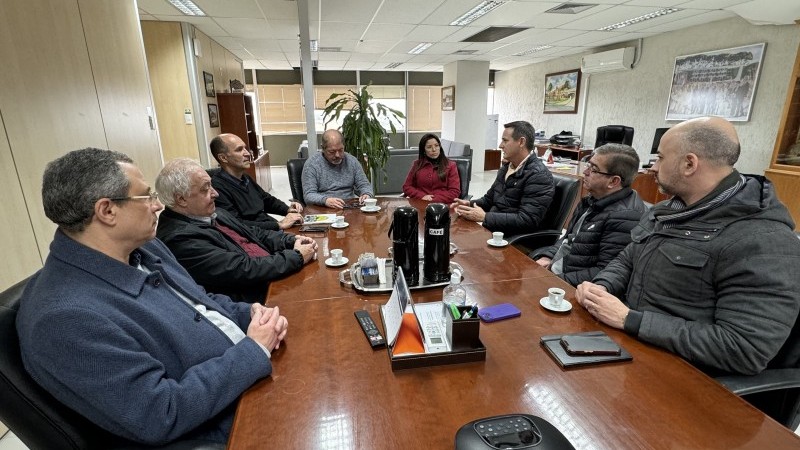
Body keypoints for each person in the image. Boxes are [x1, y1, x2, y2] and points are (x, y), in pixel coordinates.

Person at [16, 148, 288, 445]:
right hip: (228, 424)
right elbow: (161, 413)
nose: (159, 205)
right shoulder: (64, 319)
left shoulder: (145, 248)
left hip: (247, 375)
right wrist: (253, 350)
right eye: (146, 197)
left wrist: (249, 313)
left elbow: (200, 300)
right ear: (107, 211)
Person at [576, 117, 800, 376]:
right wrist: (601, 288)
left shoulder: (763, 240)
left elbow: (744, 348)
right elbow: (628, 258)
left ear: (689, 164)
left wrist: (630, 319)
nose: (652, 167)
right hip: (632, 350)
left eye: (660, 158)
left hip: (688, 380)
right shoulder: (667, 210)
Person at [156, 158, 317, 303]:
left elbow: (254, 233)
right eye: (205, 189)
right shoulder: (180, 239)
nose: (216, 193)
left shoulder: (210, 212)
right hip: (257, 299)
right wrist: (296, 256)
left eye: (211, 185)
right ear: (181, 199)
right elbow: (243, 269)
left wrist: (290, 240)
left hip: (274, 272)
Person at [531, 144, 646, 286]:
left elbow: (606, 272)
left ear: (614, 181)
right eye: (588, 165)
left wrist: (556, 280)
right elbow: (569, 240)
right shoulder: (592, 199)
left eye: (593, 169)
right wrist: (548, 256)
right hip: (558, 271)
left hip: (572, 286)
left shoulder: (626, 217)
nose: (585, 172)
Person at [451, 121, 554, 238]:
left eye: (505, 140)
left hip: (511, 237)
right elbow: (489, 200)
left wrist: (485, 217)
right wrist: (469, 203)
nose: (500, 145)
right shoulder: (506, 167)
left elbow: (527, 219)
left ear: (521, 142)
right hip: (494, 229)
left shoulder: (538, 175)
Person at [209, 133, 303, 231]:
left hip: (268, 228)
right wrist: (279, 224)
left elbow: (266, 200)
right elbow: (236, 224)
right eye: (239, 150)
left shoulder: (245, 178)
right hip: (255, 236)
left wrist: (287, 209)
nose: (247, 154)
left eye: (245, 148)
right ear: (223, 158)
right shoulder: (217, 188)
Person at [301, 129, 374, 208]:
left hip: (349, 207)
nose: (337, 155)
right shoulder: (312, 164)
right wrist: (325, 200)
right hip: (324, 208)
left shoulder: (352, 161)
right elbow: (308, 195)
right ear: (323, 148)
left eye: (340, 150)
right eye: (332, 152)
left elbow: (364, 185)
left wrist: (366, 194)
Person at [402, 133, 460, 203]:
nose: (434, 149)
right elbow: (407, 187)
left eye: (436, 145)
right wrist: (421, 196)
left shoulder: (451, 165)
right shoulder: (417, 164)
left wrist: (433, 200)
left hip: (442, 205)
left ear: (440, 147)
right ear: (424, 150)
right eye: (429, 147)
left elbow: (454, 192)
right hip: (420, 203)